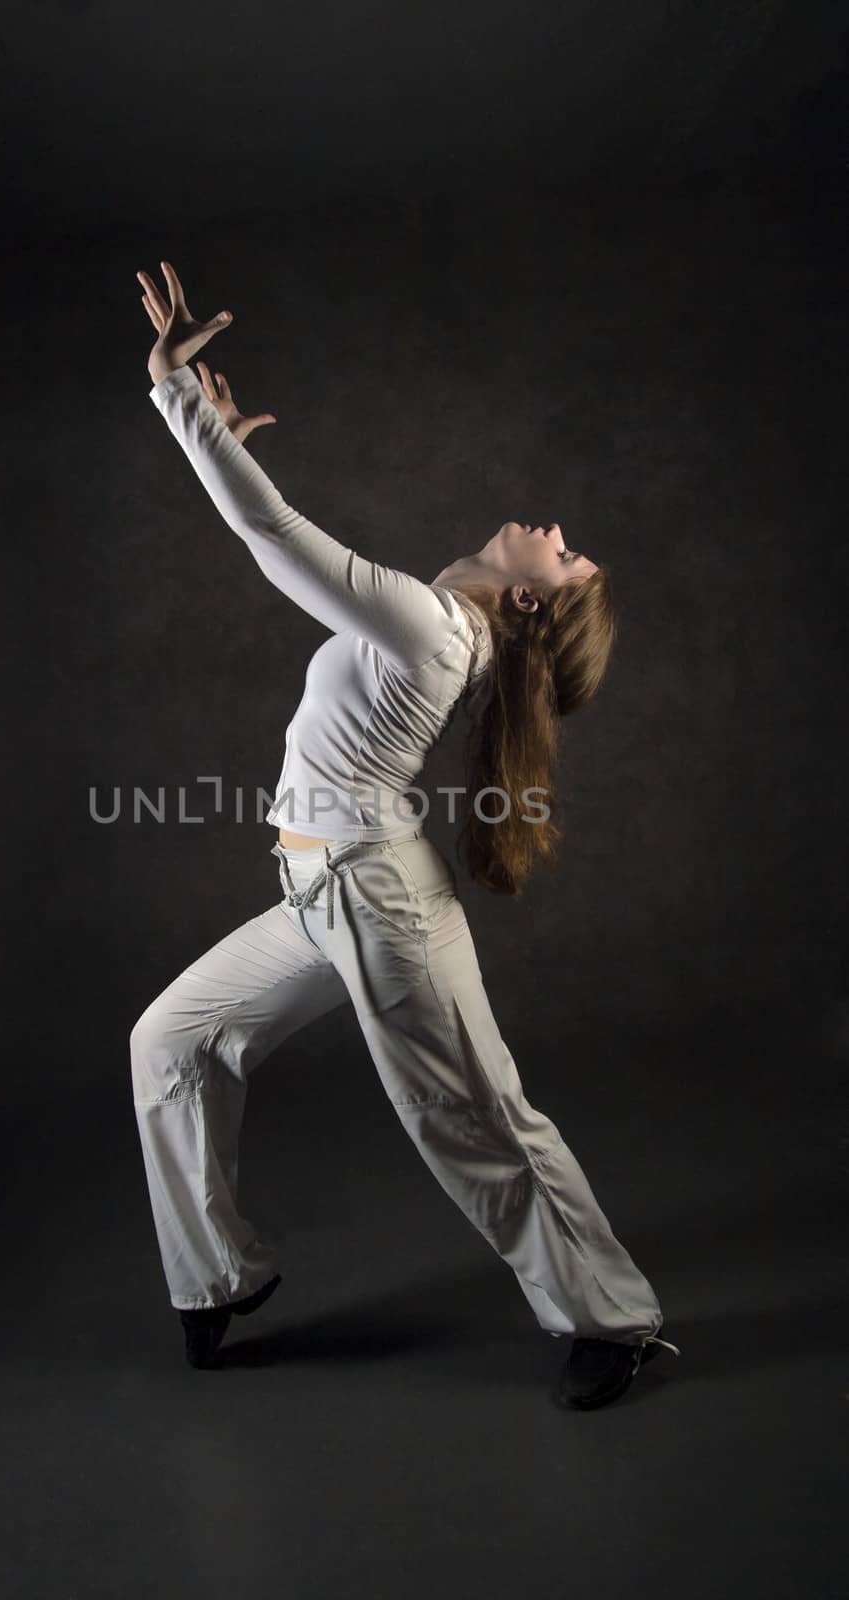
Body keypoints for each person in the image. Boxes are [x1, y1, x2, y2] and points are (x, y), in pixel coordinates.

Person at [128, 260, 681, 1410]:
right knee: (168, 1043)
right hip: (319, 895)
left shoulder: (434, 627)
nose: (557, 532)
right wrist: (217, 435)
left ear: (529, 600)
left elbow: (269, 530)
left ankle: (611, 1320)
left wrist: (179, 398)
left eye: (566, 557)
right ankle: (216, 1276)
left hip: (374, 898)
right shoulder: (438, 622)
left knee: (472, 1116)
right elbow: (271, 534)